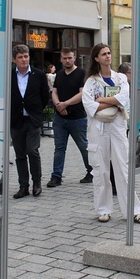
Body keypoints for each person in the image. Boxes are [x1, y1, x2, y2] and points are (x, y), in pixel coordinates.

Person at [82, 44, 140, 224]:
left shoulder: (120, 79)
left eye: (109, 53)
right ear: (96, 58)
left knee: (123, 169)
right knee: (100, 170)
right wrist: (112, 103)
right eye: (104, 54)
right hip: (98, 129)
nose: (108, 56)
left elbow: (122, 99)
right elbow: (89, 106)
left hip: (118, 126)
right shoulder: (91, 82)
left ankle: (134, 211)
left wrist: (101, 100)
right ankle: (103, 209)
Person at [46, 48, 93, 188]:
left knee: (84, 147)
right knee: (59, 148)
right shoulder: (59, 74)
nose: (67, 60)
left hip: (78, 118)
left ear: (74, 58)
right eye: (64, 58)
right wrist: (58, 105)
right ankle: (56, 176)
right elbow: (54, 92)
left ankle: (91, 172)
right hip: (59, 119)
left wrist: (65, 104)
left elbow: (82, 94)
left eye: (70, 58)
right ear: (61, 59)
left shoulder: (81, 73)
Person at [10, 44, 50, 199]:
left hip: (32, 119)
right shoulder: (9, 75)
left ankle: (37, 183)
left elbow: (44, 97)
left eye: (26, 56)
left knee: (32, 151)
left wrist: (36, 111)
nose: (24, 59)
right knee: (20, 154)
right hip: (16, 120)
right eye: (20, 57)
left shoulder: (38, 75)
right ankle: (23, 186)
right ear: (14, 60)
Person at [110, 62, 132, 196]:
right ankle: (114, 185)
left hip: (126, 125)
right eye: (130, 72)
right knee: (116, 157)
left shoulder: (129, 86)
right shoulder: (116, 86)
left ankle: (122, 184)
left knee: (123, 156)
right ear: (124, 74)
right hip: (118, 124)